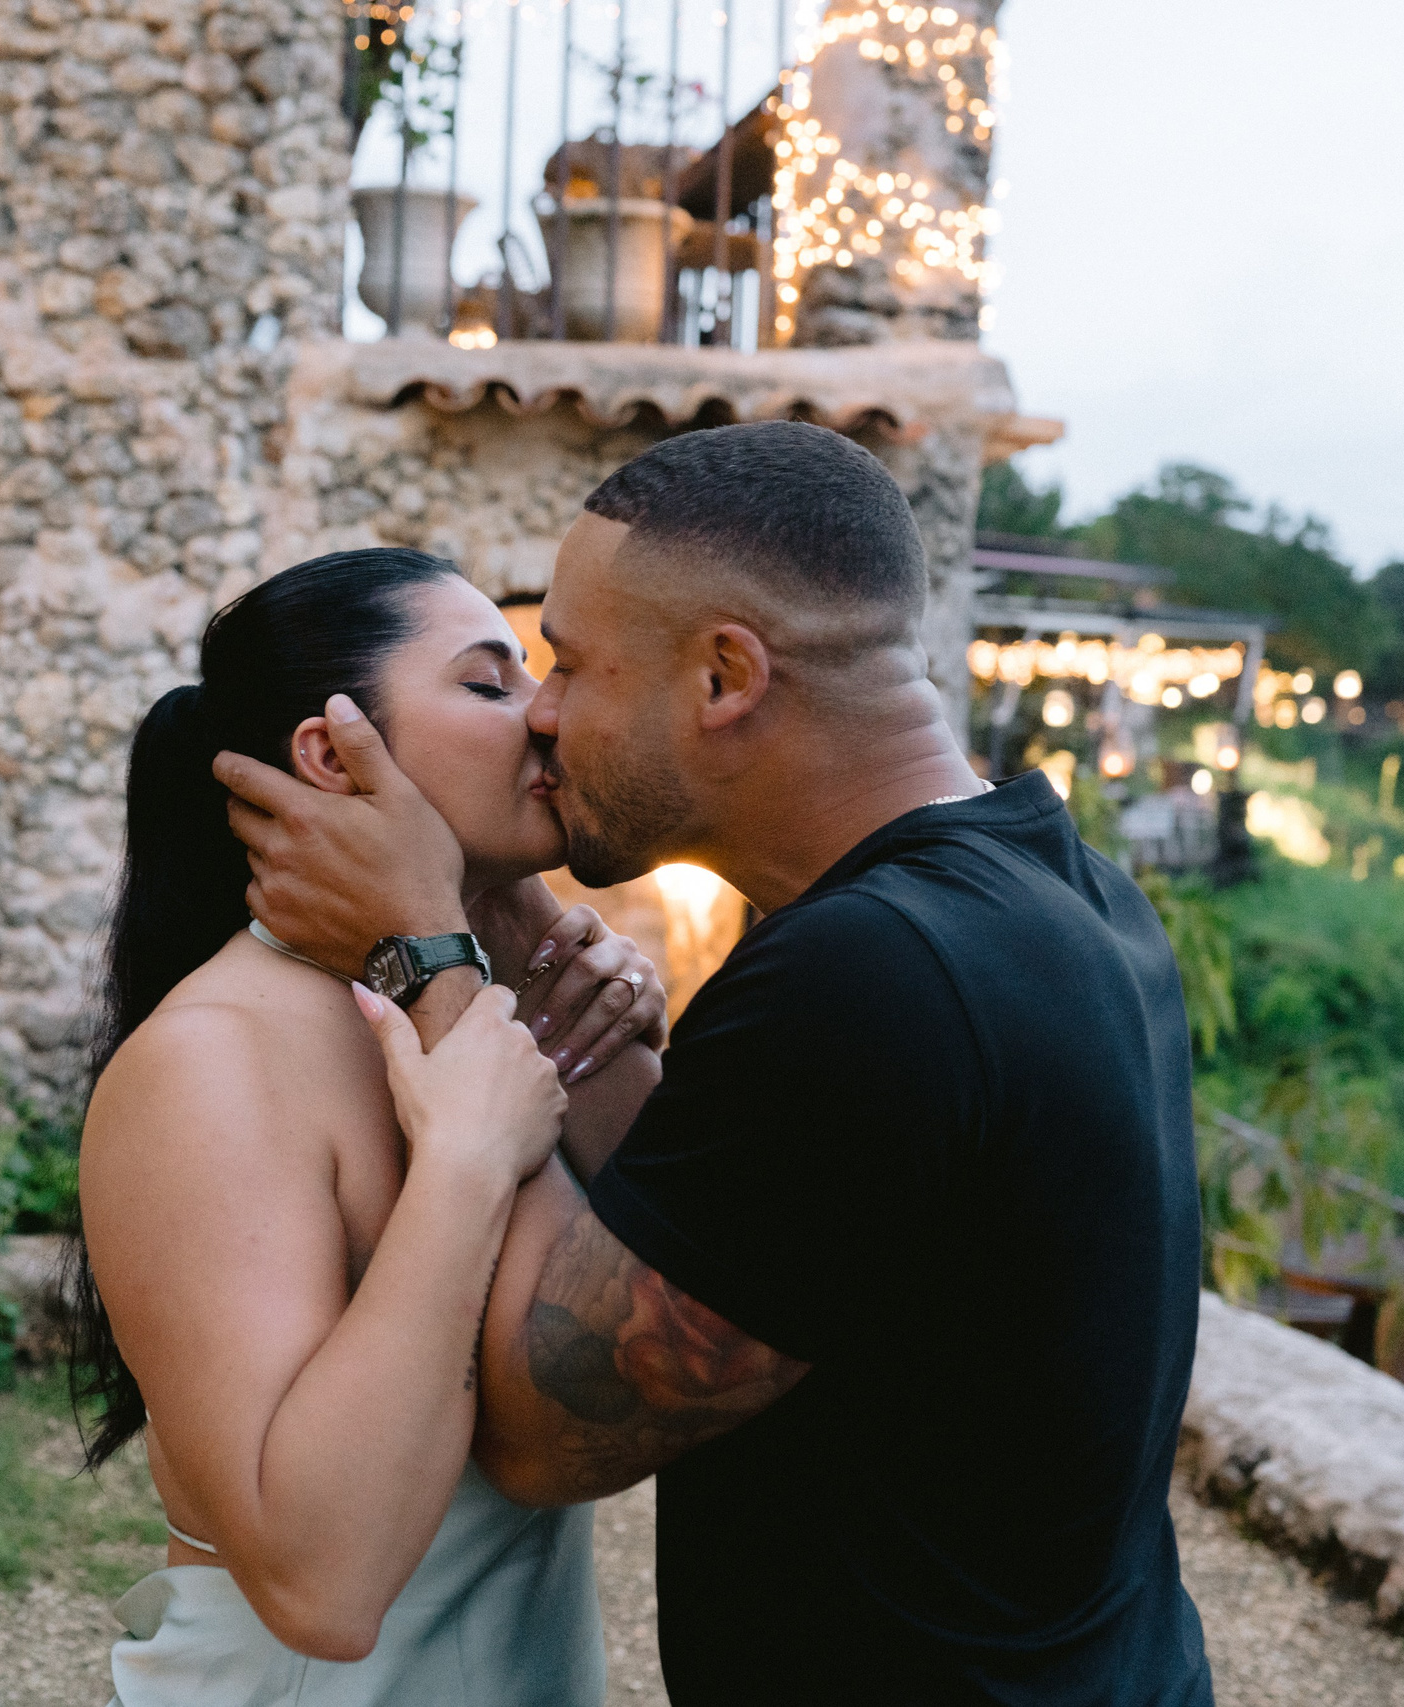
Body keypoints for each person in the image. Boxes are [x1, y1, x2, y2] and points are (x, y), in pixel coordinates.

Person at [216, 422, 1216, 1705]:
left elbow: (542, 1425)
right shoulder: (1062, 894)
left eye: (570, 664)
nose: (545, 713)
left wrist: (431, 945)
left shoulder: (873, 971)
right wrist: (506, 912)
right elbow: (740, 1248)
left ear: (723, 675)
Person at [71, 546, 673, 1706]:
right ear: (332, 752)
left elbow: (659, 1294)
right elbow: (322, 1590)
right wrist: (463, 1162)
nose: (547, 715)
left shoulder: (477, 990)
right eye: (489, 685)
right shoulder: (213, 1065)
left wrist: (591, 1014)